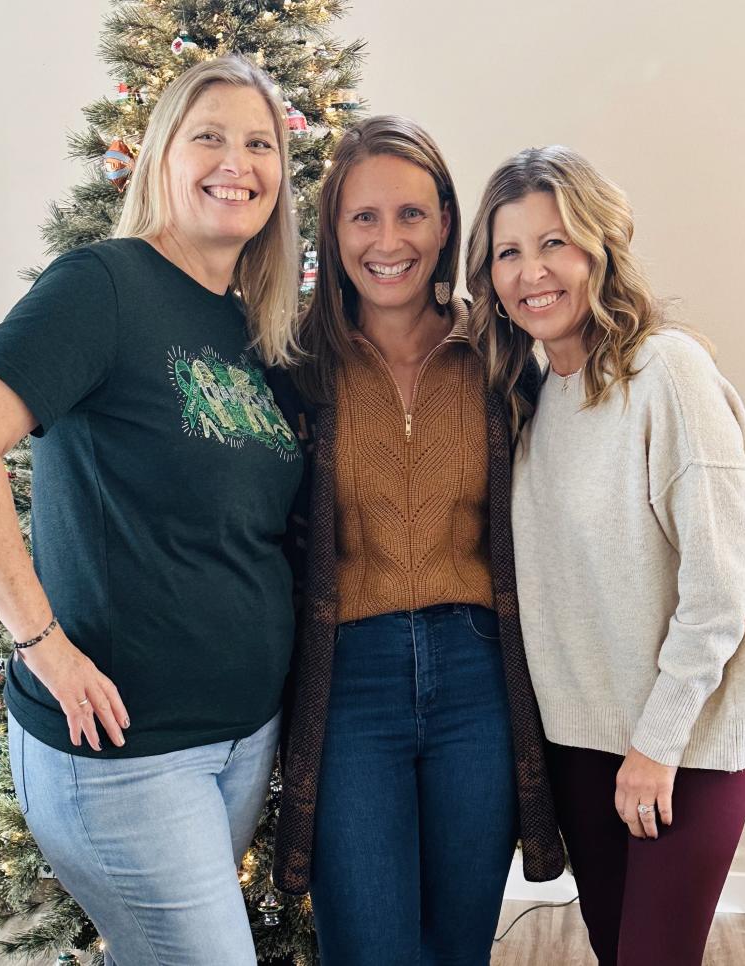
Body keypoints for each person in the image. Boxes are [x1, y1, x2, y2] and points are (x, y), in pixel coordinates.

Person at [0, 55, 304, 966]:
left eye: (258, 144)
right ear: (163, 152)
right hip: (125, 756)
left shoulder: (247, 323)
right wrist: (39, 642)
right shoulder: (103, 285)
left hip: (238, 741)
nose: (235, 161)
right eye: (209, 135)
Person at [466, 145, 745, 966]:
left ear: (601, 246)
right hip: (581, 749)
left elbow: (721, 590)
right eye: (508, 252)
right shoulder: (534, 400)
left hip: (684, 749)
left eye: (554, 242)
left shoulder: (667, 373)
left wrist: (655, 746)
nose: (533, 271)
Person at [271, 116, 565, 966]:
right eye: (364, 217)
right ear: (332, 231)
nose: (389, 240)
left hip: (477, 673)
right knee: (369, 947)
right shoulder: (294, 366)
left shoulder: (503, 355)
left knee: (458, 945)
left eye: (411, 214)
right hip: (348, 680)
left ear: (445, 223)